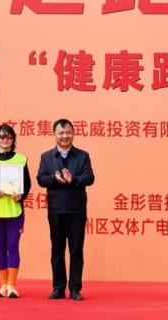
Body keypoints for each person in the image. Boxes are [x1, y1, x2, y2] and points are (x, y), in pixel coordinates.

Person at [36, 119, 95, 301]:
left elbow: (89, 177)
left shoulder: (82, 156)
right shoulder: (46, 157)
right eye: (61, 133)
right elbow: (41, 179)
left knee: (76, 250)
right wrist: (54, 179)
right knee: (57, 250)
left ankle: (75, 288)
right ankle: (58, 288)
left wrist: (73, 179)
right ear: (54, 134)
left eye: (68, 132)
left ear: (73, 133)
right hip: (56, 210)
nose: (65, 136)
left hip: (77, 210)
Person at [0, 124, 31, 298]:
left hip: (14, 211)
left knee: (13, 246)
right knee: (0, 248)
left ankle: (12, 286)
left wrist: (20, 196)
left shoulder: (21, 159)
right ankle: (3, 285)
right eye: (1, 137)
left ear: (13, 140)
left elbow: (27, 185)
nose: (5, 140)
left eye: (9, 137)